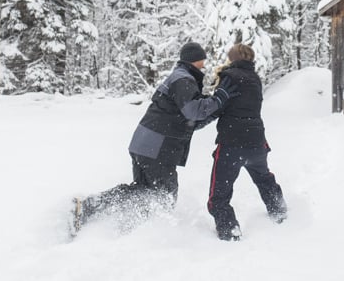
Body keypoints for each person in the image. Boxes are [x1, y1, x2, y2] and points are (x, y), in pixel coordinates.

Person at [70, 41, 239, 236]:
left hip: (145, 144)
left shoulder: (180, 78)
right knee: (164, 196)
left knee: (144, 192)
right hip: (157, 148)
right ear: (195, 61)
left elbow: (190, 120)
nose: (204, 65)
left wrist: (215, 110)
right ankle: (99, 211)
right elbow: (193, 111)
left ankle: (102, 216)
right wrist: (218, 99)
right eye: (202, 61)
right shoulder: (183, 79)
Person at [206, 43, 287, 241]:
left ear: (232, 58)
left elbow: (217, 106)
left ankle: (230, 231)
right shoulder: (255, 79)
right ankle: (281, 214)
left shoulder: (229, 77)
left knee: (219, 194)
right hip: (257, 142)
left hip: (231, 144)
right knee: (264, 179)